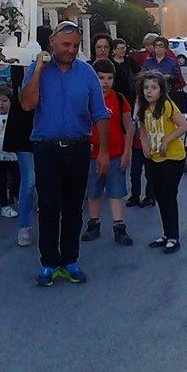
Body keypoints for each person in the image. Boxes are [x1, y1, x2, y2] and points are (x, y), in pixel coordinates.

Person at [20, 20, 110, 286]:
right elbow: (27, 104)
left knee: (73, 207)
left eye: (75, 46)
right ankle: (48, 263)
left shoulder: (87, 72)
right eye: (66, 45)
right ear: (52, 43)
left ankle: (70, 260)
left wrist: (104, 152)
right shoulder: (37, 69)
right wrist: (38, 67)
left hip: (78, 147)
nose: (71, 50)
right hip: (46, 148)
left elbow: (100, 113)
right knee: (48, 206)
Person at [82, 59, 134, 246]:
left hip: (115, 155)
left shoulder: (119, 99)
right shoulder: (86, 99)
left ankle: (119, 226)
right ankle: (93, 224)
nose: (105, 82)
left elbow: (129, 128)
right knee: (93, 192)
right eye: (101, 78)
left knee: (116, 192)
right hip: (92, 156)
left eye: (109, 78)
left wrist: (127, 152)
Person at [137, 71, 187, 254]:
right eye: (146, 88)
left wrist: (167, 140)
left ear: (161, 90)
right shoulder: (143, 107)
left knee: (168, 195)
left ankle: (173, 236)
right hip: (154, 157)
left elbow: (183, 126)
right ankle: (166, 234)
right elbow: (142, 128)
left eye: (154, 88)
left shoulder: (166, 105)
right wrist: (145, 146)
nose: (149, 91)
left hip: (172, 157)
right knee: (158, 195)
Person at [0, 90, 20, 218]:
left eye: (4, 101)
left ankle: (17, 197)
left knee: (17, 178)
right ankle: (4, 205)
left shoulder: (15, 117)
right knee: (0, 181)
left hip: (14, 156)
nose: (1, 104)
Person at [112, 38, 140, 104]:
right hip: (115, 91)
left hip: (129, 93)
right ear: (114, 50)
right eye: (120, 48)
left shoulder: (129, 60)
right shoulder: (111, 62)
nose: (122, 50)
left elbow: (138, 71)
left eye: (123, 48)